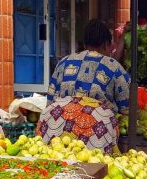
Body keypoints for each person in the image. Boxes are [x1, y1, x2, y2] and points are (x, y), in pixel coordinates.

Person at [38, 19, 130, 153]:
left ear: (85, 44)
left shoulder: (64, 62)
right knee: (95, 170)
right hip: (95, 131)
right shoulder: (113, 66)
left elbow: (50, 101)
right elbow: (126, 107)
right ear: (106, 44)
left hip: (55, 126)